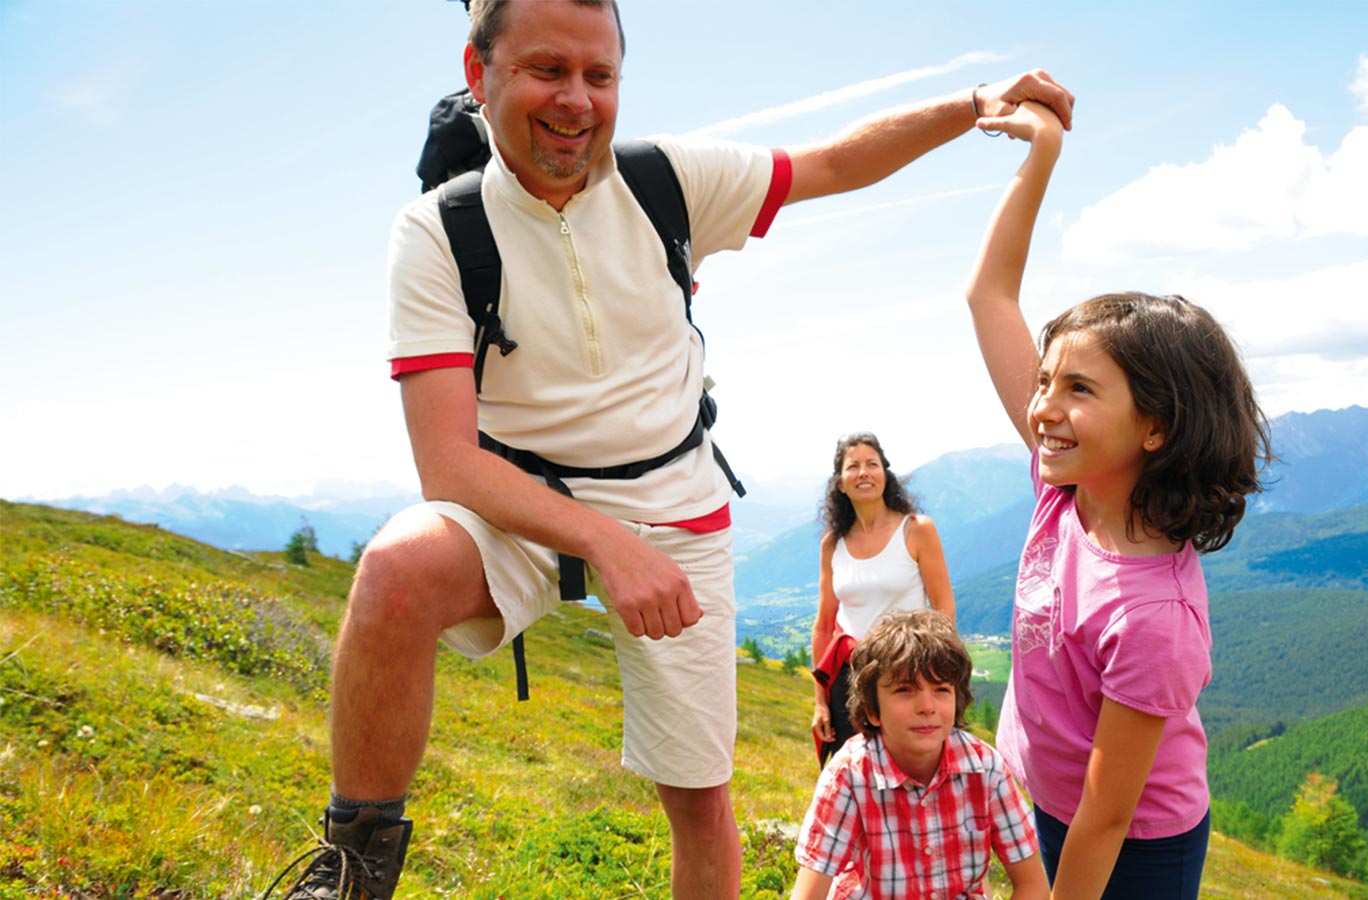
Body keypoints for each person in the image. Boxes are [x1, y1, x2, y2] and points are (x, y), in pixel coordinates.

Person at [261, 2, 1075, 898]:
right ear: (477, 68)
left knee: (699, 797)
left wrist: (971, 103)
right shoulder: (437, 233)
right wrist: (606, 543)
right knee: (396, 572)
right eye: (546, 70)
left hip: (678, 509)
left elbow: (838, 162)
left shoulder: (667, 181)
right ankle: (350, 876)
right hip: (517, 503)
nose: (576, 101)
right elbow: (448, 464)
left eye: (599, 75)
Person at [961, 101, 1271, 899]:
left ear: (1156, 426)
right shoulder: (1062, 486)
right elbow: (988, 297)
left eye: (1079, 389)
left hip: (1134, 846)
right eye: (1044, 382)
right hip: (1042, 797)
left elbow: (1108, 816)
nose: (1042, 408)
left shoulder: (1152, 619)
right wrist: (1042, 156)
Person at [791, 609, 1048, 900]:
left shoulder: (985, 767)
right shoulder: (849, 775)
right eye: (905, 690)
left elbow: (1032, 885)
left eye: (941, 689)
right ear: (873, 710)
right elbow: (808, 894)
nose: (927, 706)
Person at [811, 432, 954, 766]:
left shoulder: (916, 529)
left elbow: (943, 609)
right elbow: (822, 627)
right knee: (854, 775)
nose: (863, 472)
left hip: (907, 672)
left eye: (872, 464)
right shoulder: (833, 544)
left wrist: (933, 675)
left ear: (885, 475)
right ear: (841, 484)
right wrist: (820, 701)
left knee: (909, 767)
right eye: (853, 466)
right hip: (848, 680)